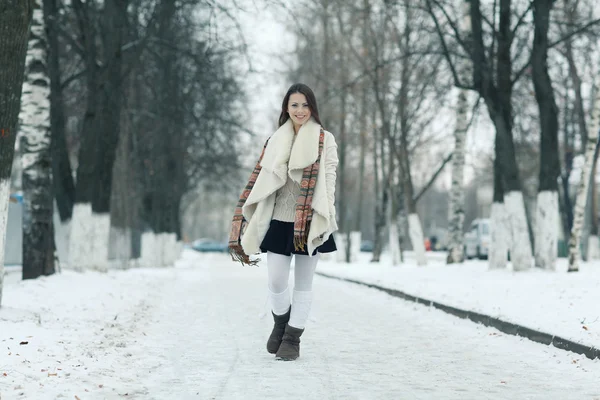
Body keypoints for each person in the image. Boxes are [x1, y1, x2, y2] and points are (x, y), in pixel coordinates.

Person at [228, 83, 339, 361]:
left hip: (310, 221)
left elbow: (330, 178)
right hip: (279, 220)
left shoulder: (325, 139)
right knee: (277, 280)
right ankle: (281, 323)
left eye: (304, 105)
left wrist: (325, 212)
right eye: (294, 105)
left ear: (312, 107)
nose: (300, 110)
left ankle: (292, 339)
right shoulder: (275, 140)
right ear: (286, 108)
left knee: (303, 283)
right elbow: (264, 179)